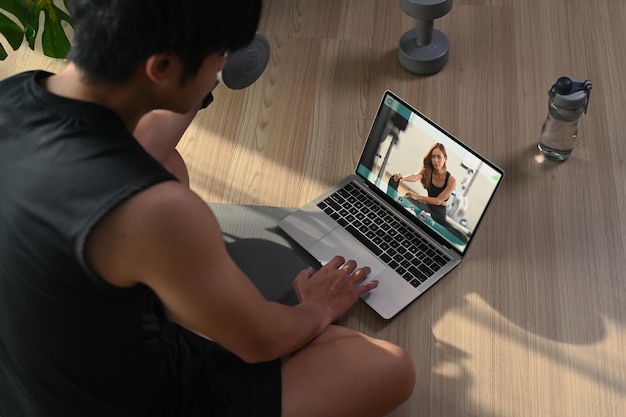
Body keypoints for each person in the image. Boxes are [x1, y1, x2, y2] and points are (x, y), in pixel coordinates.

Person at [0, 1, 415, 416]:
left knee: (168, 163)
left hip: (28, 382)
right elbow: (261, 343)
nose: (221, 71)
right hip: (133, 400)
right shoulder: (156, 210)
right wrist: (318, 306)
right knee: (388, 368)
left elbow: (121, 152)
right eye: (219, 60)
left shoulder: (14, 93)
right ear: (161, 67)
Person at [392, 142, 457, 226]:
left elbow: (438, 201)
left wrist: (417, 196)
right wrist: (402, 178)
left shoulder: (452, 180)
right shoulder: (428, 171)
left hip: (439, 212)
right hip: (428, 205)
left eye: (439, 157)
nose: (436, 160)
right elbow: (415, 176)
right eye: (433, 156)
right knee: (406, 200)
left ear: (445, 158)